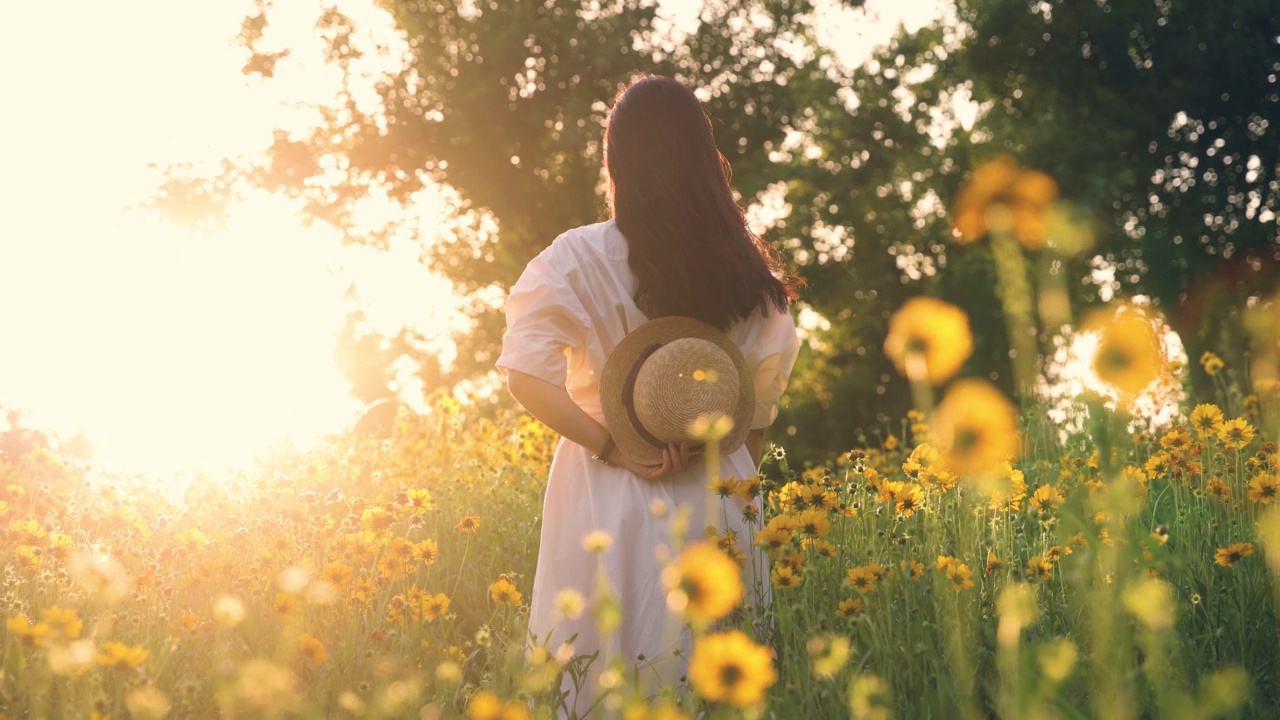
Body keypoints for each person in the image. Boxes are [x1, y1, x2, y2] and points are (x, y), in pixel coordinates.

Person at [497, 75, 801, 717]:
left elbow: (524, 371)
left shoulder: (576, 258)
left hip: (606, 491)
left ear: (616, 160)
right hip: (718, 490)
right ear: (702, 159)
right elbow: (756, 414)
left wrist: (609, 443)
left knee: (600, 662)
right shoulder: (748, 274)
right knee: (717, 676)